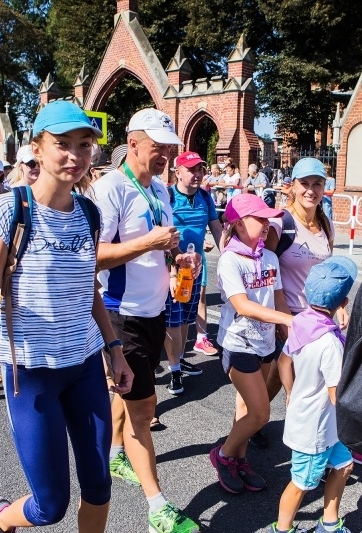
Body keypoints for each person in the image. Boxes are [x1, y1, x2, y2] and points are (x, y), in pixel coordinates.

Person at [0, 100, 132, 533]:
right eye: (61, 144)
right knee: (50, 506)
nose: (74, 155)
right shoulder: (11, 210)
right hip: (30, 372)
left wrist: (114, 349)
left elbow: (88, 291)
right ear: (37, 150)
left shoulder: (89, 213)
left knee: (100, 483)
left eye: (84, 145)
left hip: (84, 365)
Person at [92, 107, 201, 533]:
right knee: (144, 409)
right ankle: (158, 508)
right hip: (120, 315)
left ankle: (115, 451)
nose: (166, 156)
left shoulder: (159, 189)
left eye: (170, 149)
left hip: (155, 311)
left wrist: (178, 256)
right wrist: (148, 242)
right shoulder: (110, 188)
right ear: (133, 143)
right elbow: (94, 255)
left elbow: (164, 244)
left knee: (127, 391)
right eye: (159, 148)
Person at [252, 157, 346, 450]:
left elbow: (327, 272)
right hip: (290, 315)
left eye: (317, 184)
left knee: (307, 378)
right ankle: (255, 419)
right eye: (304, 183)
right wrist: (281, 318)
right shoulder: (282, 224)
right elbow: (267, 271)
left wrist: (339, 305)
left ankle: (311, 442)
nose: (311, 190)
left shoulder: (325, 224)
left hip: (319, 317)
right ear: (292, 186)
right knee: (282, 376)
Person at [210, 194, 292, 494]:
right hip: (238, 344)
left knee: (245, 407)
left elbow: (279, 297)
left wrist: (288, 326)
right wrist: (289, 320)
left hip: (265, 343)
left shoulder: (269, 258)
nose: (267, 223)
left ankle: (240, 460)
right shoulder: (230, 260)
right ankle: (223, 455)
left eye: (268, 218)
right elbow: (242, 305)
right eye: (260, 218)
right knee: (260, 414)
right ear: (239, 223)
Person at [271, 256, 358, 533]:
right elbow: (336, 396)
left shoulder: (300, 324)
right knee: (302, 483)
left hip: (322, 423)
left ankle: (329, 525)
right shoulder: (329, 344)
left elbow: (284, 362)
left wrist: (290, 392)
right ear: (343, 303)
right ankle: (282, 529)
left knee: (344, 466)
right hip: (316, 430)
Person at [163, 151, 223, 395]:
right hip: (172, 268)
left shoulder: (206, 198)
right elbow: (161, 232)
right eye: (192, 169)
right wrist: (171, 267)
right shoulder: (167, 196)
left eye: (200, 169)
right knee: (173, 322)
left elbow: (218, 231)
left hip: (194, 270)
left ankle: (180, 360)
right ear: (178, 172)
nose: (198, 174)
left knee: (187, 318)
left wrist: (231, 257)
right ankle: (174, 369)